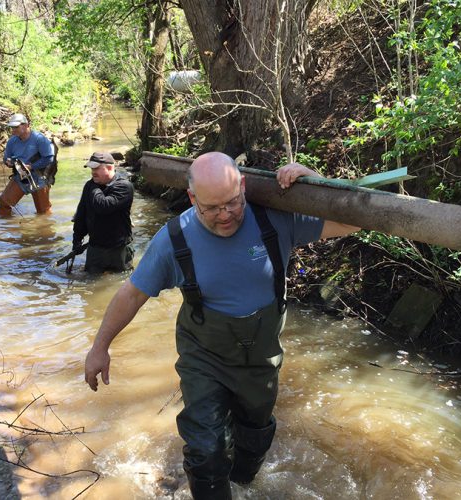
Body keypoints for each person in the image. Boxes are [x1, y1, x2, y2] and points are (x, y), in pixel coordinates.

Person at [84, 152, 359, 499]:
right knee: (206, 450)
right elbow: (132, 294)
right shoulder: (174, 239)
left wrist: (314, 180)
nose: (225, 215)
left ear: (243, 187)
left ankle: (242, 483)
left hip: (261, 360)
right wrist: (100, 347)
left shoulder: (276, 220)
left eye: (232, 203)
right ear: (192, 198)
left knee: (254, 437)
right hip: (205, 359)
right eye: (211, 208)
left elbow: (355, 220)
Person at [72, 151, 134, 274]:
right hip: (96, 247)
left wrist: (93, 186)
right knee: (90, 284)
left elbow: (103, 206)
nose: (93, 172)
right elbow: (82, 214)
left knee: (121, 282)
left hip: (119, 248)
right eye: (91, 168)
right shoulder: (90, 186)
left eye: (96, 168)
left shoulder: (124, 186)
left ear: (110, 167)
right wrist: (77, 239)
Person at [0, 113, 55, 217]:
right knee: (4, 203)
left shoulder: (39, 139)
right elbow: (6, 158)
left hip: (39, 178)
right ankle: (5, 227)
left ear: (26, 125)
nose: (13, 130)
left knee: (43, 211)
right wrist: (8, 162)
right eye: (12, 127)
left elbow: (49, 158)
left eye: (16, 127)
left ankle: (45, 230)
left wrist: (31, 166)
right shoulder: (12, 141)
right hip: (20, 176)